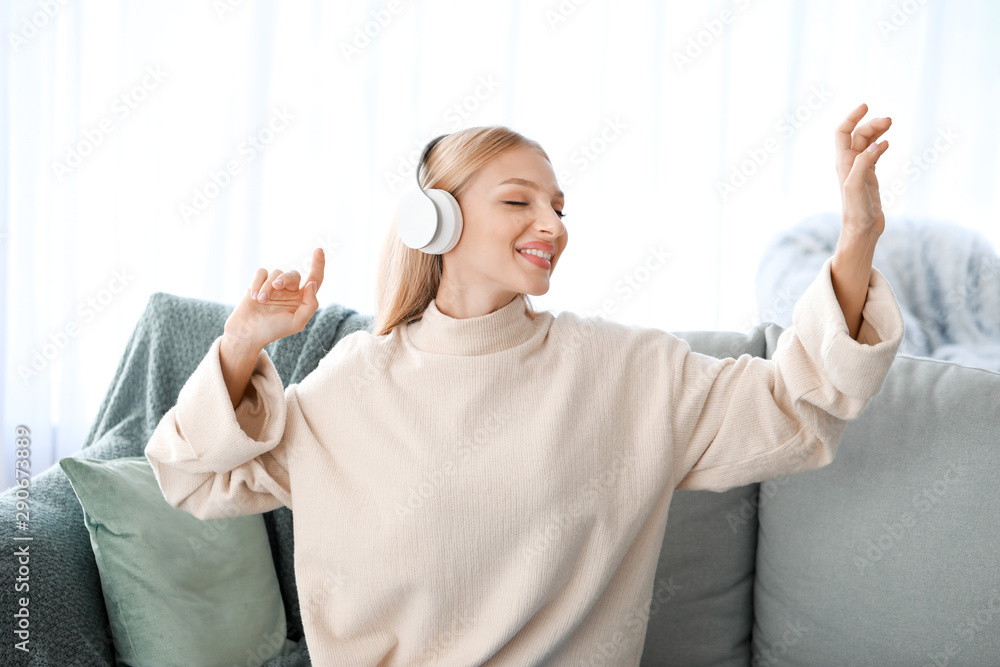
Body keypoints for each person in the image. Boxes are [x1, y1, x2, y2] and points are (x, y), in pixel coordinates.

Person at [144, 103, 904, 666]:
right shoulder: (351, 385)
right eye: (519, 201)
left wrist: (858, 234)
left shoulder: (624, 370)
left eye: (559, 206)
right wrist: (242, 342)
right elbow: (189, 477)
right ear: (433, 220)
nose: (554, 224)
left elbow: (798, 407)